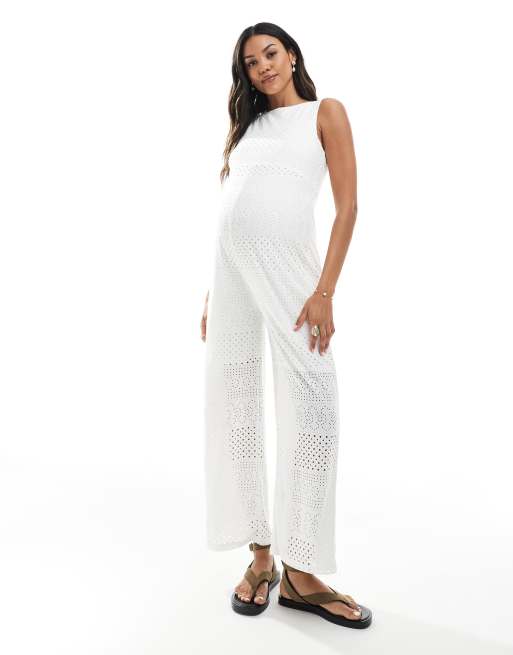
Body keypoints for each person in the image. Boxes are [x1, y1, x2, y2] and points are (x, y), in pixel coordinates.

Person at [200, 22, 372, 629]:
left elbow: (348, 207)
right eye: (251, 62)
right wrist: (213, 289)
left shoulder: (325, 113)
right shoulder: (247, 128)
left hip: (294, 278)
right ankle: (261, 557)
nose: (263, 67)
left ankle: (302, 570)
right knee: (237, 404)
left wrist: (324, 291)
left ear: (292, 55)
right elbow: (234, 209)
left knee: (314, 403)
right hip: (233, 279)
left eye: (270, 53)